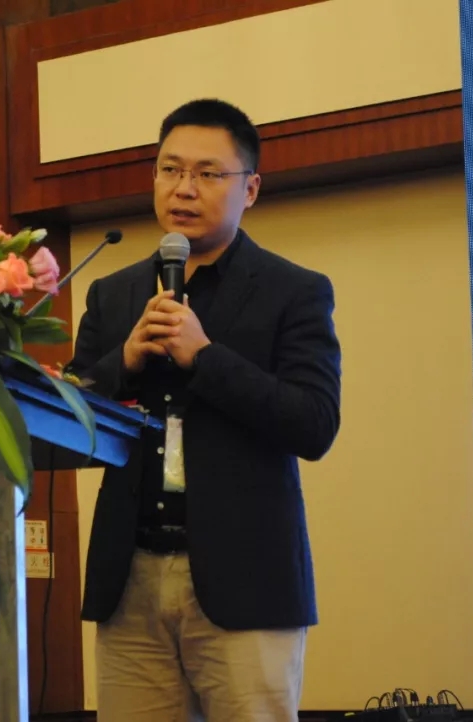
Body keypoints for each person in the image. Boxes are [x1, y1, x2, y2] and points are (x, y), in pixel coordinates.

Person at [67, 98, 342, 722]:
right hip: (129, 579)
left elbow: (314, 423)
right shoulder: (113, 294)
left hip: (246, 582)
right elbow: (74, 413)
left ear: (251, 190)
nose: (183, 188)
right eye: (169, 169)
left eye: (208, 173)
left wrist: (206, 357)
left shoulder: (294, 291)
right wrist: (124, 360)